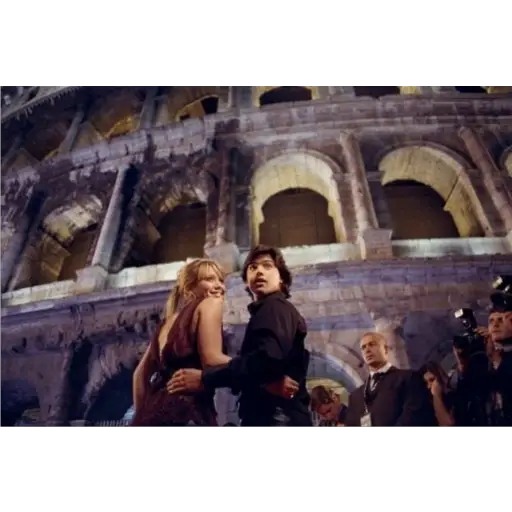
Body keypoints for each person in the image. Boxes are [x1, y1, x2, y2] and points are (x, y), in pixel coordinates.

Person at [131, 258, 296, 430]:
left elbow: (139, 376)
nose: (219, 286)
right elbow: (211, 359)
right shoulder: (210, 303)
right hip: (186, 414)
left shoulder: (165, 323)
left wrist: (143, 415)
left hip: (150, 419)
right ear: (189, 288)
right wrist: (266, 378)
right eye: (209, 279)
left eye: (221, 280)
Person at [168, 245, 312, 430]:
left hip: (277, 419)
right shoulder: (266, 311)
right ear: (246, 281)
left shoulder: (274, 307)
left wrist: (206, 378)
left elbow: (267, 362)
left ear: (281, 278)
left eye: (267, 266)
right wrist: (265, 382)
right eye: (253, 267)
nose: (259, 271)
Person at [344, 332, 436, 431]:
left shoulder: (409, 378)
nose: (367, 350)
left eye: (372, 344)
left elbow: (413, 416)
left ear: (386, 349)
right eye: (363, 347)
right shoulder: (355, 397)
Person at [420, 361, 455, 429]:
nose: (428, 386)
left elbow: (447, 427)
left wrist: (436, 395)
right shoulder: (426, 408)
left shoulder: (452, 398)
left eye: (431, 380)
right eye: (425, 383)